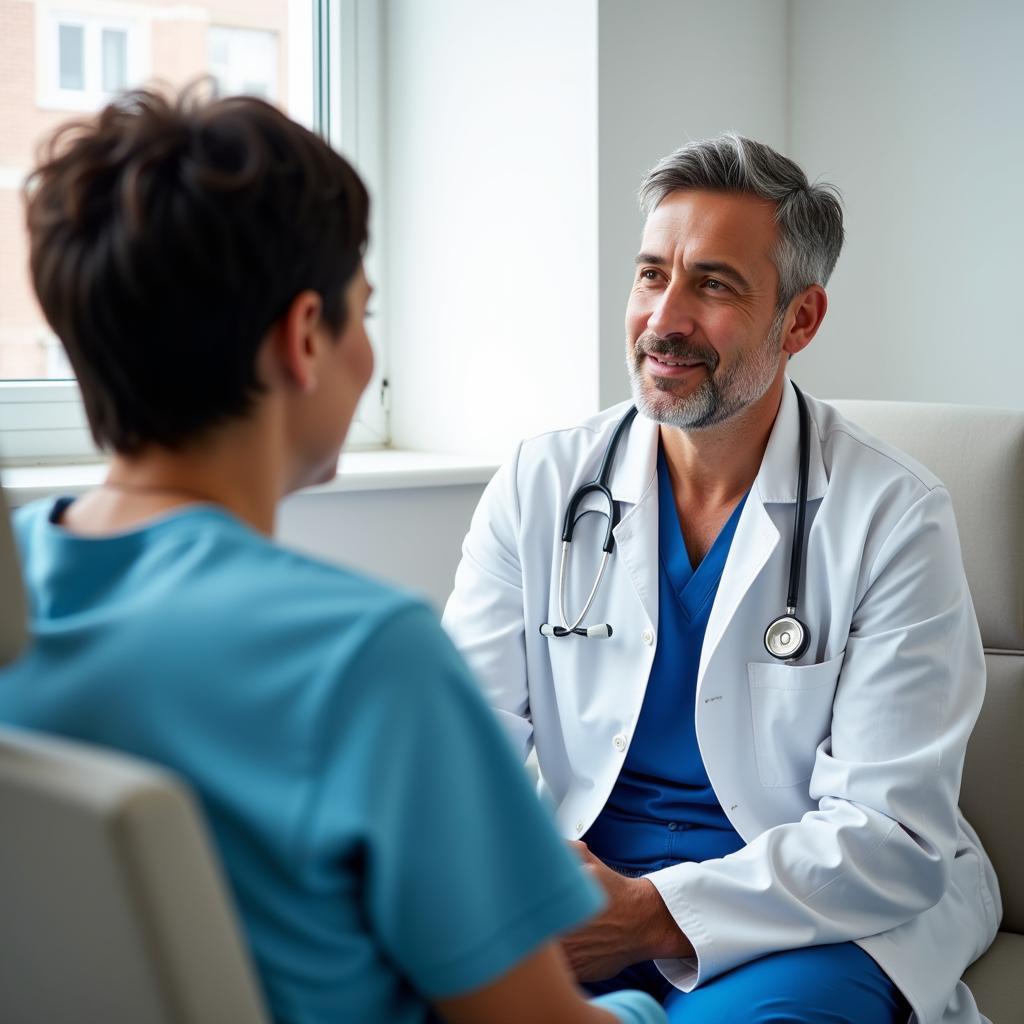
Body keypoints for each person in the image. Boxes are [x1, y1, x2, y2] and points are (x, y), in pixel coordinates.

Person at [0, 88, 667, 1024]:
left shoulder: (15, 591)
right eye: (363, 312)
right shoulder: (360, 658)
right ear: (303, 337)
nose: (369, 356)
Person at [442, 133, 1001, 1023]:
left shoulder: (892, 513)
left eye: (713, 284)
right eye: (651, 274)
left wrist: (649, 916)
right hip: (579, 897)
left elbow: (890, 836)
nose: (665, 318)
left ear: (802, 321)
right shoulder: (544, 483)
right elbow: (456, 751)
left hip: (807, 915)